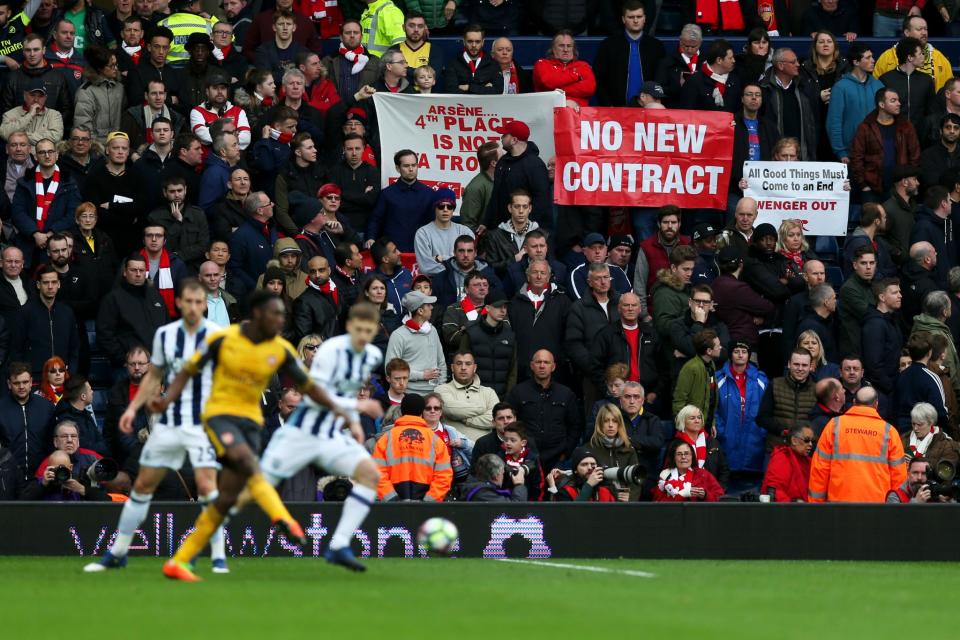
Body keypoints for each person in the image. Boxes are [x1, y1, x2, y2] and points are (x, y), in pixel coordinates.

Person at [156, 291, 357, 582]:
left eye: (282, 316)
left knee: (226, 500)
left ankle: (180, 561)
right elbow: (188, 372)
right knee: (250, 466)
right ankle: (284, 518)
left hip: (251, 424)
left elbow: (309, 386)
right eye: (274, 315)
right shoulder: (224, 339)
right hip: (220, 416)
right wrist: (166, 401)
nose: (280, 321)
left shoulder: (279, 348)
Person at [85, 280, 228, 572]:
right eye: (188, 301)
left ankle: (218, 557)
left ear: (204, 304)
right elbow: (153, 377)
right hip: (169, 424)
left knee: (208, 488)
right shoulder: (165, 335)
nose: (193, 307)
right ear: (179, 304)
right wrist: (133, 409)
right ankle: (117, 553)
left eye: (199, 302)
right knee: (142, 486)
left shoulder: (216, 336)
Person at [257, 302, 385, 570]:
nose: (363, 335)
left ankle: (338, 545)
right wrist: (359, 407)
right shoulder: (329, 352)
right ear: (349, 327)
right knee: (253, 491)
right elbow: (319, 395)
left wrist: (355, 423)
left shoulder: (371, 355)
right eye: (358, 329)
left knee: (370, 475)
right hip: (301, 434)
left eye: (368, 330)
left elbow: (346, 392)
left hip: (328, 436)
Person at [808, 386, 907, 502]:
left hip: (838, 506)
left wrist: (815, 506)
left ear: (854, 402)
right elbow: (899, 477)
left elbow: (820, 469)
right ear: (876, 404)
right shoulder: (889, 432)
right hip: (878, 508)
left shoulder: (834, 426)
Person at [11, 138, 81, 267]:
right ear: (36, 156)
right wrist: (35, 233)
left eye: (50, 151)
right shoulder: (24, 181)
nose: (47, 156)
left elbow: (73, 213)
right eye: (42, 152)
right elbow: (17, 212)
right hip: (28, 244)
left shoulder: (69, 182)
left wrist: (50, 233)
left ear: (57, 154)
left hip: (58, 245)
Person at [506, 349, 579, 473]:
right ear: (532, 366)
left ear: (553, 366)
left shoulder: (566, 394)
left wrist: (566, 452)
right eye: (538, 362)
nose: (542, 366)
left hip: (557, 459)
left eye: (546, 362)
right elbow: (509, 423)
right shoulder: (518, 392)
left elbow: (575, 426)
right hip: (525, 457)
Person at [96, 254, 168, 367]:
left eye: (141, 270)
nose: (138, 274)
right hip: (128, 368)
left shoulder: (155, 296)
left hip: (156, 366)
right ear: (125, 272)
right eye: (133, 270)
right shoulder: (113, 299)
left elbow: (166, 327)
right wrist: (123, 359)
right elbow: (104, 335)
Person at [851, 88, 921, 204]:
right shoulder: (865, 127)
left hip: (900, 188)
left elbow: (915, 155)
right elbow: (856, 158)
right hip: (872, 189)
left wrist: (909, 180)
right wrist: (863, 185)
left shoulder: (906, 126)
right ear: (882, 104)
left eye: (898, 100)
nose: (898, 103)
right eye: (893, 101)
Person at [716, 340, 769, 488]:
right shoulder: (718, 378)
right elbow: (712, 409)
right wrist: (722, 431)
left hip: (754, 446)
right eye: (736, 351)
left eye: (744, 352)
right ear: (730, 354)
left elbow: (768, 410)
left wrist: (762, 432)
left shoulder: (761, 379)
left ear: (749, 355)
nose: (740, 355)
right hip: (727, 444)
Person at [483, 120, 551, 231]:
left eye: (505, 135)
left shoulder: (535, 165)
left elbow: (541, 202)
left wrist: (526, 228)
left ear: (514, 140)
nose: (501, 137)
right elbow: (495, 195)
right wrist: (487, 222)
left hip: (526, 232)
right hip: (501, 230)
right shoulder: (502, 162)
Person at [11, 266, 79, 377]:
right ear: (38, 285)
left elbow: (74, 347)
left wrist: (71, 371)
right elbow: (17, 348)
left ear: (59, 284)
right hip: (36, 375)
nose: (50, 286)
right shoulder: (25, 312)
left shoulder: (67, 312)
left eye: (54, 282)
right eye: (46, 282)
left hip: (62, 375)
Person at [593, 0, 663, 107]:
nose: (635, 20)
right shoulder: (608, 46)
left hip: (649, 110)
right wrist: (608, 105)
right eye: (631, 17)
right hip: (614, 110)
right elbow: (598, 79)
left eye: (639, 17)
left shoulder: (656, 47)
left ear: (644, 18)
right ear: (623, 19)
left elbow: (661, 80)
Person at [364, 149, 433, 253]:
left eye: (414, 165)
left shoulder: (429, 194)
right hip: (393, 253)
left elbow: (435, 224)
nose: (411, 169)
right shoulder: (387, 194)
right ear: (397, 168)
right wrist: (371, 237)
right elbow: (376, 220)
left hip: (421, 252)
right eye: (406, 166)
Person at [0, 362, 56, 490]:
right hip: (7, 478)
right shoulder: (1, 408)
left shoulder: (46, 407)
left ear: (31, 382)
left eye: (25, 382)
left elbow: (52, 443)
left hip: (41, 477)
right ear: (9, 384)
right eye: (16, 383)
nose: (21, 386)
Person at [827, 42, 882, 164]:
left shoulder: (879, 86)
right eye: (868, 58)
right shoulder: (841, 87)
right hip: (850, 153)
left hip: (876, 152)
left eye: (872, 56)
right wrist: (840, 151)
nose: (873, 60)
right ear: (856, 62)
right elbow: (834, 122)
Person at [385, 290, 445, 396]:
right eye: (428, 305)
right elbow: (390, 369)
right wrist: (422, 375)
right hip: (409, 394)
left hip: (435, 393)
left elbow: (441, 362)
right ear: (420, 311)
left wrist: (441, 385)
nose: (432, 307)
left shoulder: (433, 330)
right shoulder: (398, 335)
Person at [459, 289, 516, 398]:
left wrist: (509, 396)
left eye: (505, 307)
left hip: (502, 397)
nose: (503, 310)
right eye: (498, 306)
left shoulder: (510, 335)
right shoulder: (471, 333)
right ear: (488, 308)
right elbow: (462, 365)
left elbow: (513, 369)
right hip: (475, 396)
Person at [873, 16, 952, 93]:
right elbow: (875, 89)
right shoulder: (887, 57)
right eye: (919, 29)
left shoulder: (940, 59)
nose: (924, 32)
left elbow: (949, 91)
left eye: (925, 29)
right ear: (907, 32)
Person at [758, 348, 816, 449]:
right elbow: (762, 418)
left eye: (804, 365)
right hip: (777, 449)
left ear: (810, 367)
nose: (800, 368)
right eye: (796, 364)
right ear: (789, 364)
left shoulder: (817, 389)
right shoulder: (775, 384)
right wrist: (783, 431)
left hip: (805, 452)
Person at [879, 37, 936, 132]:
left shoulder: (926, 80)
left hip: (920, 137)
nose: (923, 56)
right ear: (910, 57)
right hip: (892, 134)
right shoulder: (885, 80)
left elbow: (931, 110)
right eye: (920, 54)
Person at [588, 403, 641, 501]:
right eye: (606, 421)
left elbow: (636, 479)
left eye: (615, 421)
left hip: (624, 504)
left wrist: (631, 498)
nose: (611, 425)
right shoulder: (590, 449)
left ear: (619, 424)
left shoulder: (629, 449)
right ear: (600, 423)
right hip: (599, 502)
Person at [672, 329, 722, 433]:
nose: (720, 348)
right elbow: (679, 400)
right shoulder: (691, 368)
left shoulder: (711, 364)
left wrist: (711, 423)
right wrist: (684, 427)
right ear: (709, 351)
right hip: (690, 428)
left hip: (705, 425)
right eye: (718, 346)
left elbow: (711, 397)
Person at [532, 30, 595, 108]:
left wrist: (556, 91)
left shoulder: (583, 66)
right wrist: (576, 75)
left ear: (573, 49)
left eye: (569, 46)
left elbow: (589, 88)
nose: (565, 50)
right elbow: (549, 82)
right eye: (561, 46)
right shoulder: (542, 64)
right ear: (553, 49)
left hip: (580, 114)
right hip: (549, 113)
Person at [679, 38, 740, 113]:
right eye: (730, 58)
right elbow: (686, 113)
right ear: (719, 60)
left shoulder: (735, 80)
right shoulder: (694, 82)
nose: (734, 61)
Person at [653, 439, 725, 502]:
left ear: (692, 456)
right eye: (679, 454)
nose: (683, 457)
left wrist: (705, 495)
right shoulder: (665, 475)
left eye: (687, 454)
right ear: (674, 457)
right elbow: (658, 501)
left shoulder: (703, 474)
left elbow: (720, 497)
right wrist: (682, 494)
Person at [837, 246, 877, 358]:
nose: (868, 267)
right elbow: (870, 314)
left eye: (872, 263)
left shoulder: (875, 283)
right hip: (854, 350)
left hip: (868, 343)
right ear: (855, 265)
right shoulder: (849, 288)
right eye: (864, 263)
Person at [442, 24, 501, 95]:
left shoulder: (492, 64)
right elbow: (450, 91)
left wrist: (469, 87)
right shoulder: (453, 63)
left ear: (483, 42)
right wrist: (484, 89)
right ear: (464, 42)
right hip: (462, 105)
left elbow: (498, 91)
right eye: (470, 41)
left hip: (486, 105)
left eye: (477, 41)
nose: (474, 45)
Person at [761, 424, 814, 501]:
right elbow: (775, 491)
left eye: (812, 441)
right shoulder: (782, 457)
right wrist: (792, 503)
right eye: (806, 440)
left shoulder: (808, 460)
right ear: (794, 441)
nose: (810, 445)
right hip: (787, 509)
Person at [545, 447, 616, 502]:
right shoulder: (566, 491)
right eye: (584, 464)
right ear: (575, 470)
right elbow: (570, 515)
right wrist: (589, 485)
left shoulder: (607, 489)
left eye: (593, 464)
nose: (590, 468)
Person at [902, 402, 960, 470]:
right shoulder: (903, 439)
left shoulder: (946, 445)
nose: (915, 428)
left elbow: (945, 473)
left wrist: (920, 467)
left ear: (931, 423)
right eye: (913, 424)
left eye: (920, 425)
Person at [462, 453, 527, 501]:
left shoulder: (473, 484)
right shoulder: (483, 494)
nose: (503, 477)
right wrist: (519, 484)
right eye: (502, 473)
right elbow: (515, 508)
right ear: (496, 476)